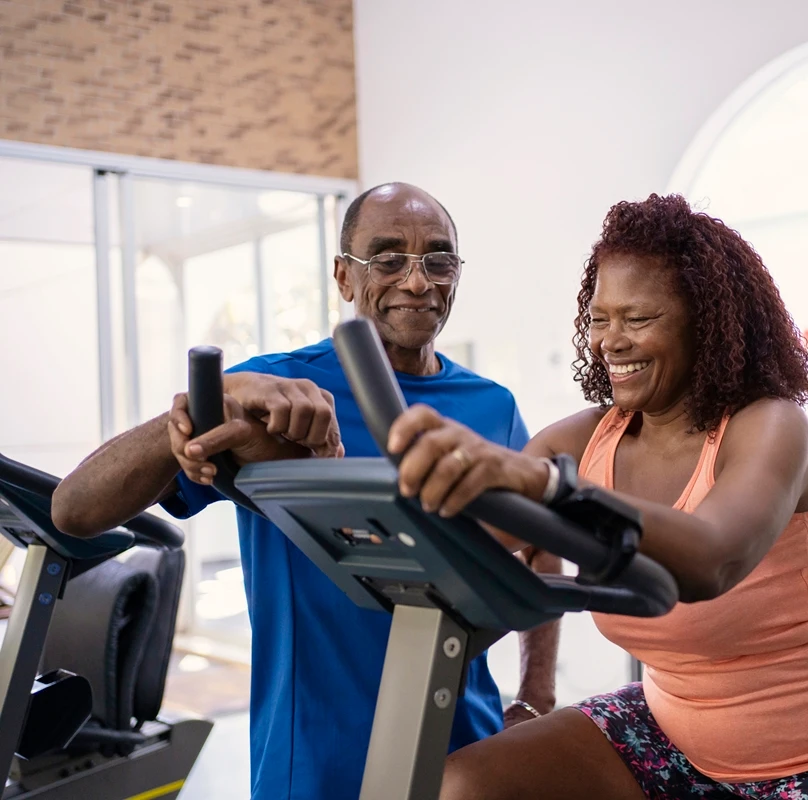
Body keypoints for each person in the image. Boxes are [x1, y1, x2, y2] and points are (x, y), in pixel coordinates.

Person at [382, 193, 808, 799]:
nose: (611, 341)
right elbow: (454, 546)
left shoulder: (771, 426)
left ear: (706, 325)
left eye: (637, 319)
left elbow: (714, 558)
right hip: (676, 733)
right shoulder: (583, 441)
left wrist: (552, 488)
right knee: (464, 786)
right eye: (600, 319)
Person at [50, 183, 561, 800]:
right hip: (313, 762)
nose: (417, 281)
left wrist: (534, 697)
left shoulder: (492, 405)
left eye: (438, 259)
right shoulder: (274, 390)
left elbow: (538, 544)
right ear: (344, 277)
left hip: (465, 751)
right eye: (388, 259)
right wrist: (203, 404)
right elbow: (74, 510)